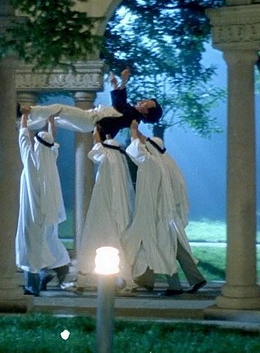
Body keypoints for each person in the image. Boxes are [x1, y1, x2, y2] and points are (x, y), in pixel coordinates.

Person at [65, 124, 136, 293]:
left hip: (103, 208)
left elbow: (96, 152)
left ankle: (86, 277)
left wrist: (96, 136)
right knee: (112, 242)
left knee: (96, 239)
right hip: (113, 208)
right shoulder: (117, 157)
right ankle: (119, 278)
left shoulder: (107, 156)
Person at [16, 111, 71, 296]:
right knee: (47, 241)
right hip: (48, 212)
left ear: (37, 143)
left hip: (31, 211)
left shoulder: (31, 161)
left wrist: (24, 116)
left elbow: (23, 137)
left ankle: (35, 283)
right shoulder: (51, 159)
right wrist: (51, 122)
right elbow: (50, 140)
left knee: (29, 244)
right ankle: (54, 271)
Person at [21, 67, 162, 138]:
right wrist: (118, 83)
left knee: (59, 109)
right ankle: (23, 124)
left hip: (91, 120)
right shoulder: (131, 112)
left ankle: (29, 111)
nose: (143, 101)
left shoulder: (133, 117)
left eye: (147, 103)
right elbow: (120, 103)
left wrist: (122, 82)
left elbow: (119, 104)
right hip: (90, 120)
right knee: (53, 119)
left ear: (146, 113)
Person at [144, 136, 207, 296]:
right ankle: (195, 278)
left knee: (163, 248)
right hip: (171, 215)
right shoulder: (170, 162)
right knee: (176, 248)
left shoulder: (159, 165)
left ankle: (173, 286)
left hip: (163, 214)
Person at [122, 120, 179, 294]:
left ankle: (131, 281)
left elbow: (134, 149)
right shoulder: (162, 163)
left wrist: (133, 129)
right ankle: (143, 280)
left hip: (149, 212)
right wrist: (139, 134)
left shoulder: (150, 162)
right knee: (153, 248)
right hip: (156, 213)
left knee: (140, 245)